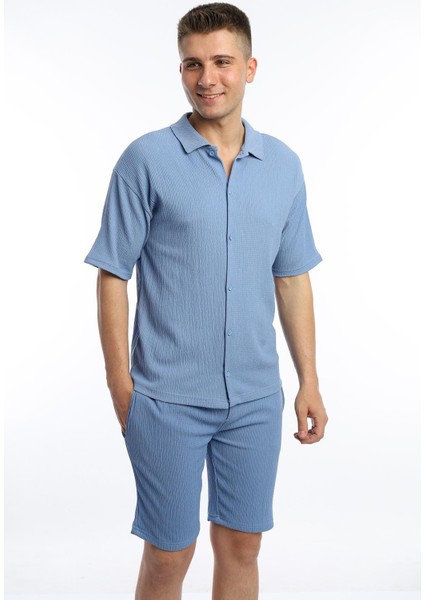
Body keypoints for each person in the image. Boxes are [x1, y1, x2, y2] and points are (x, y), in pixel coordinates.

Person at [84, 2, 329, 598]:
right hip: (165, 399)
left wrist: (309, 381)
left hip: (255, 399)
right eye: (193, 64)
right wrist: (121, 387)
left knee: (243, 546)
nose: (207, 78)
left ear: (250, 68)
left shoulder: (284, 166)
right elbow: (113, 273)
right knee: (169, 554)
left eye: (221, 62)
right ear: (181, 70)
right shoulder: (146, 160)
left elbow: (292, 277)